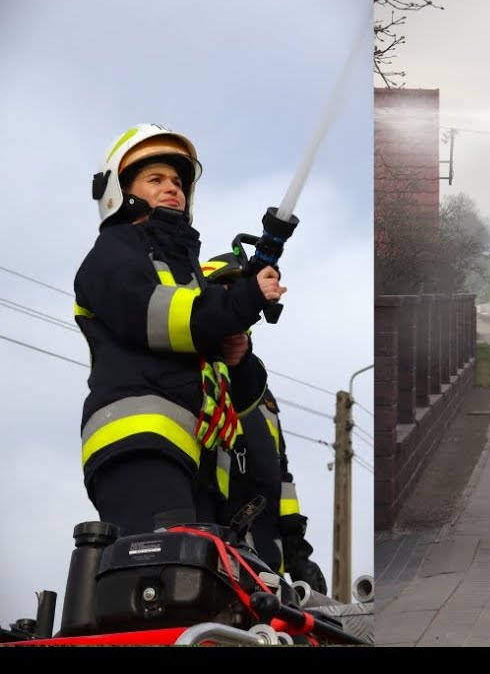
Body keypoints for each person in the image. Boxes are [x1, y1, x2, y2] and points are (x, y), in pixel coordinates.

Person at [74, 124, 286, 537]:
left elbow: (238, 399)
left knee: (194, 585)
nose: (172, 188)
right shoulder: (114, 252)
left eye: (177, 181)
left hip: (197, 461)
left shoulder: (186, 273)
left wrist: (237, 354)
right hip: (139, 440)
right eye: (155, 179)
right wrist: (242, 301)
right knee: (161, 577)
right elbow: (162, 317)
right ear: (118, 192)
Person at [202, 253, 328, 593]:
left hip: (267, 558)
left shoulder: (261, 395)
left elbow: (281, 477)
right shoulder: (198, 379)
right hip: (215, 557)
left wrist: (297, 552)